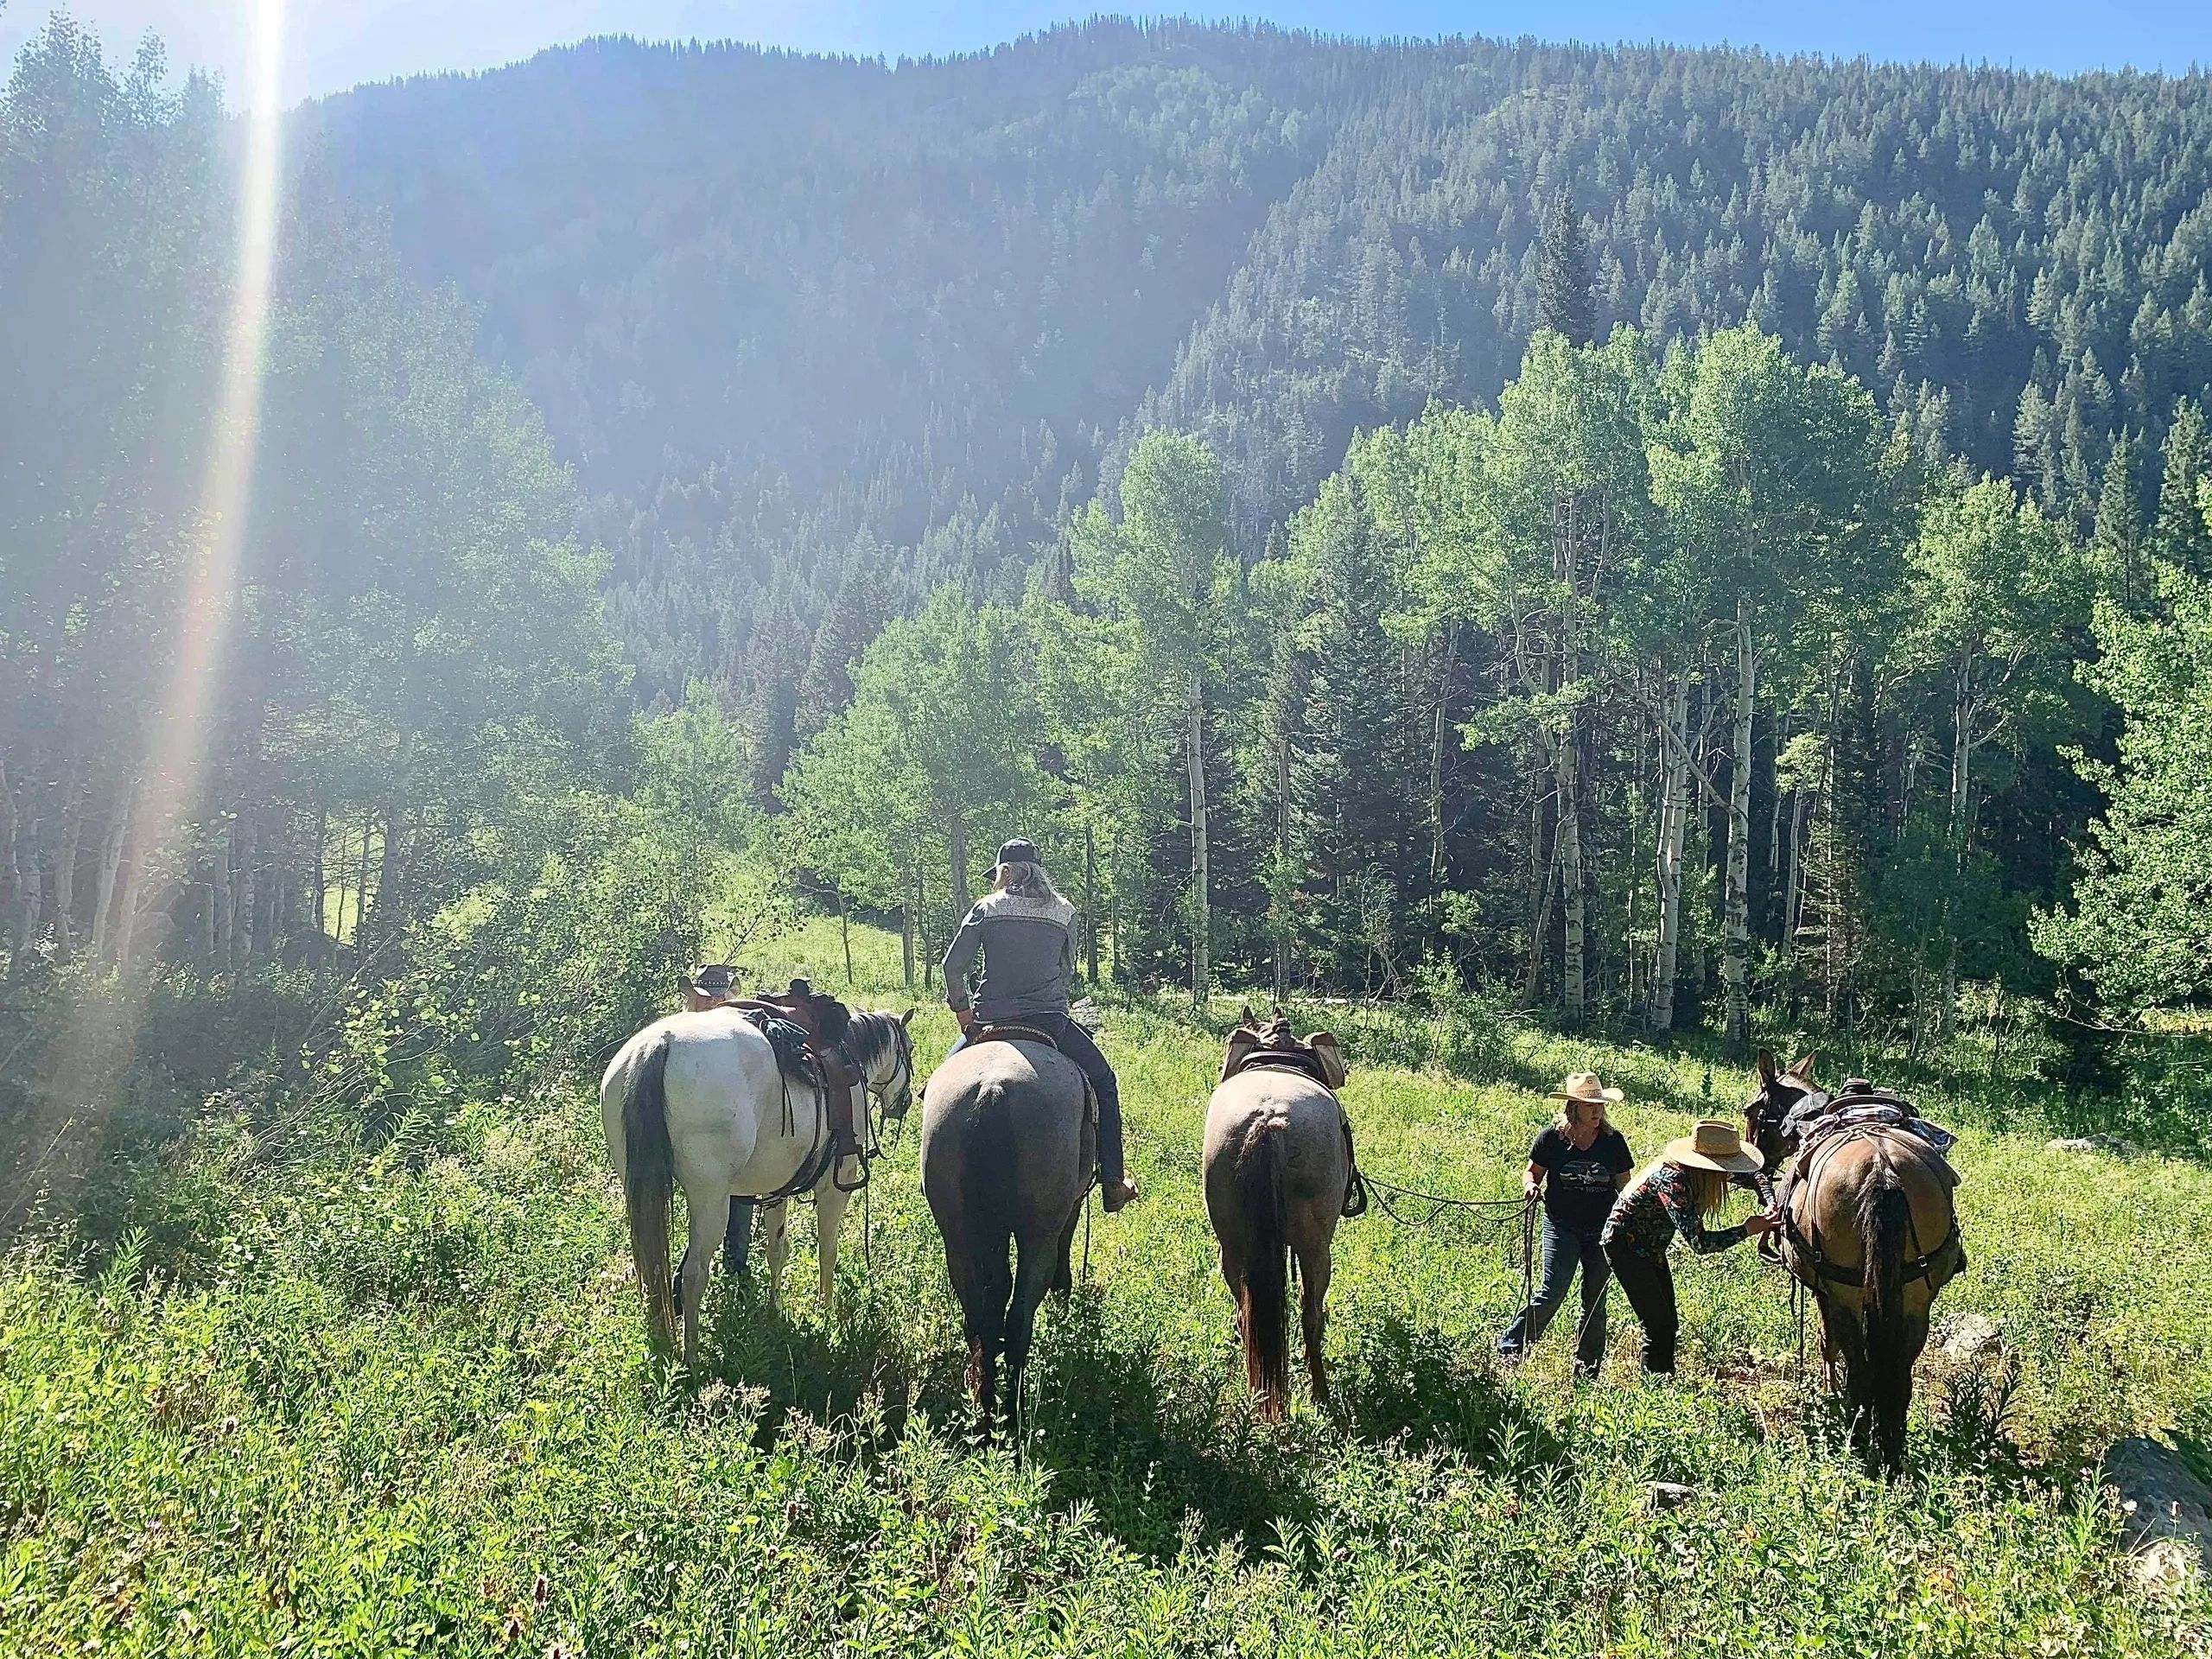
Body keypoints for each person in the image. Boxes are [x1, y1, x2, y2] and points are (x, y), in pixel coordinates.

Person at [940, 837, 1138, 1212]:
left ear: (1004, 873)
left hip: (990, 1020)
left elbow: (953, 967)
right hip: (1050, 1021)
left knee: (938, 1085)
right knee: (1104, 1082)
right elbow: (1066, 968)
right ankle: (1112, 1180)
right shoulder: (1064, 912)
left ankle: (936, 1174)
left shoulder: (985, 909)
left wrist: (965, 1015)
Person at [1600, 1119, 1779, 1376]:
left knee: (1667, 1322)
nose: (1731, 1174)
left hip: (1651, 1247)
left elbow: (1757, 1175)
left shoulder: (1696, 1171)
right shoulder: (1673, 1182)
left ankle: (1662, 1380)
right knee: (1656, 1324)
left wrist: (1770, 1200)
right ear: (1711, 1168)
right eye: (1727, 1169)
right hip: (1624, 1247)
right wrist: (1748, 1229)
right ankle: (1655, 1387)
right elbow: (1700, 1243)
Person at [1496, 1071, 1636, 1378]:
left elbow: (1626, 1189)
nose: (1597, 1111)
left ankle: (1587, 1368)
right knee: (1552, 1290)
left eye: (1600, 1104)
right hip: (1561, 1225)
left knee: (1595, 1298)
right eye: (1590, 1106)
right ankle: (1510, 1348)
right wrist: (1530, 1186)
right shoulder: (1551, 1139)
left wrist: (1626, 1224)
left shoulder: (1613, 1142)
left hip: (1603, 1229)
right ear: (1573, 1108)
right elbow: (1532, 1172)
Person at [679, 963, 753, 1277]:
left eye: (716, 997)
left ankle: (735, 1267)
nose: (710, 1002)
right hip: (690, 1136)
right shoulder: (677, 1036)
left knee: (741, 1197)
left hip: (733, 1132)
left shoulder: (742, 1039)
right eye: (703, 997)